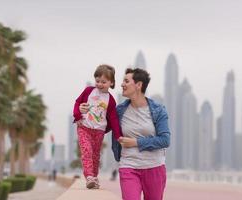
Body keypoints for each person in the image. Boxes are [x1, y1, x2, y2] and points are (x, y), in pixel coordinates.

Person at [80, 67, 170, 199]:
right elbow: (99, 127)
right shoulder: (119, 110)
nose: (122, 84)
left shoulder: (158, 110)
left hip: (154, 167)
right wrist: (83, 114)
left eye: (126, 81)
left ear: (138, 85)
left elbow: (165, 140)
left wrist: (136, 142)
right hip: (128, 167)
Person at [73, 64, 122, 189]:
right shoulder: (89, 91)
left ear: (111, 83)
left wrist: (118, 135)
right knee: (87, 151)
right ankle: (89, 176)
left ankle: (94, 177)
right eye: (97, 81)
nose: (99, 84)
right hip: (84, 127)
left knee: (95, 155)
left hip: (99, 132)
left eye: (103, 82)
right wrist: (78, 115)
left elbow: (113, 119)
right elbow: (78, 102)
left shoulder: (110, 100)